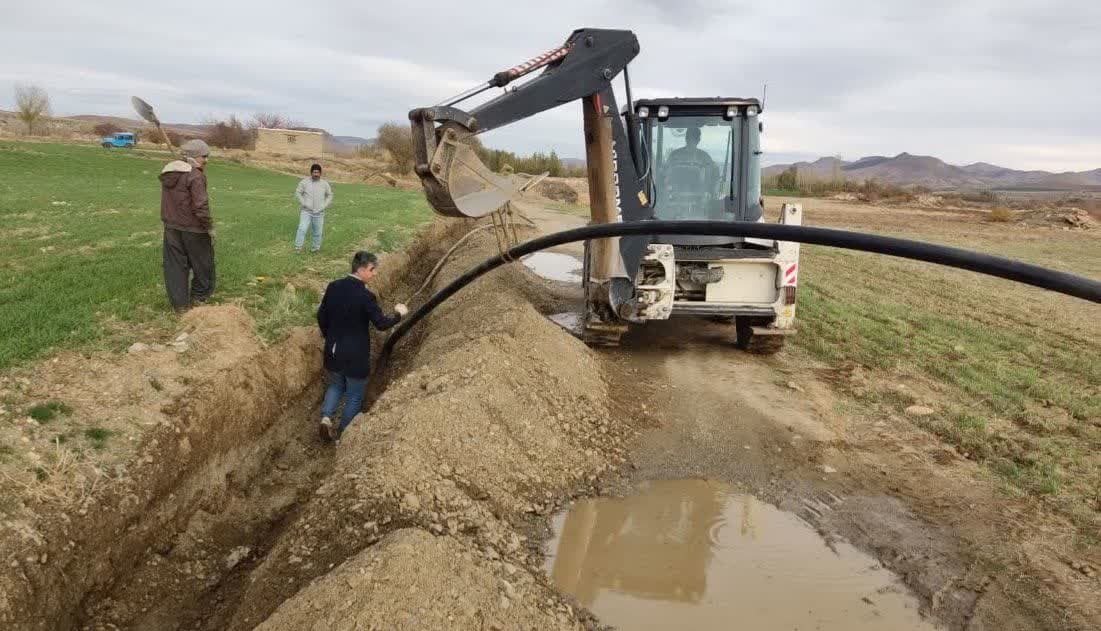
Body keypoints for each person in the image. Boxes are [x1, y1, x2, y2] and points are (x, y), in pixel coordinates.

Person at [315, 251, 408, 442]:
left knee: (336, 385)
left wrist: (329, 335)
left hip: (333, 351)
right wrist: (399, 314)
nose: (374, 274)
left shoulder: (333, 287)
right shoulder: (366, 297)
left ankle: (326, 418)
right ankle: (344, 435)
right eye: (372, 270)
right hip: (356, 356)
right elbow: (381, 324)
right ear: (362, 269)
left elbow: (321, 316)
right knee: (355, 395)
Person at [160, 139, 215, 314]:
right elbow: (200, 206)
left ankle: (180, 307)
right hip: (194, 229)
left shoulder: (170, 172)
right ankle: (199, 300)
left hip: (171, 227)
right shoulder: (196, 176)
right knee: (203, 265)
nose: (206, 160)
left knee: (175, 267)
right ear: (193, 157)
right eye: (203, 156)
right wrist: (209, 227)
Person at [294, 163, 333, 252]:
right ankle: (298, 248)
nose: (316, 174)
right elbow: (298, 192)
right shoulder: (304, 182)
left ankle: (315, 249)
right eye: (314, 172)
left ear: (320, 173)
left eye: (318, 172)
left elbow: (329, 195)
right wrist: (304, 203)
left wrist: (324, 205)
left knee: (318, 232)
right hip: (306, 211)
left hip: (319, 212)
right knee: (302, 228)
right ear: (311, 172)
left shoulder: (324, 184)